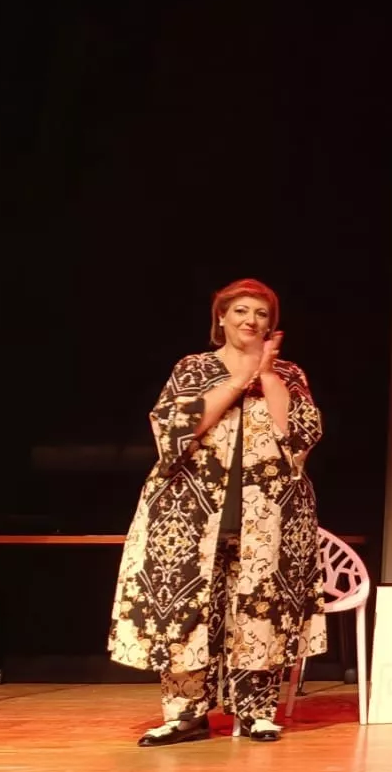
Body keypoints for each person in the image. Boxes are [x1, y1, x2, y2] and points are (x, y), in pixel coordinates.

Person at [108, 278, 328, 746]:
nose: (251, 321)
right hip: (188, 514)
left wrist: (267, 374)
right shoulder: (193, 369)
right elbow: (177, 430)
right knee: (187, 608)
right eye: (242, 311)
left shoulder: (288, 374)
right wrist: (238, 380)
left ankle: (256, 711)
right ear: (222, 319)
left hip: (270, 516)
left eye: (262, 314)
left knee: (261, 606)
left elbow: (300, 436)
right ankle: (185, 714)